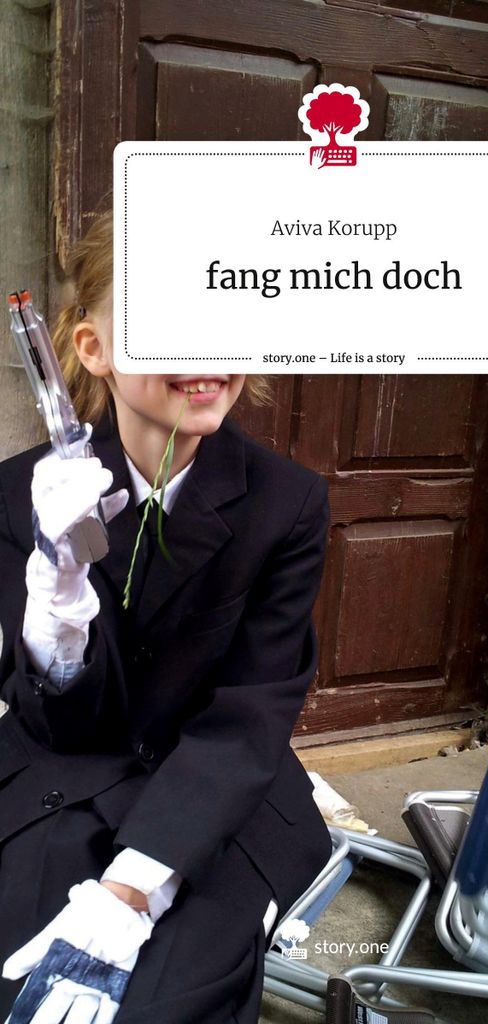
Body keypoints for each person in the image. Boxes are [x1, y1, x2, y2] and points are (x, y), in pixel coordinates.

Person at [0, 212, 333, 1023]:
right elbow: (55, 723)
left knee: (167, 1006)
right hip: (62, 778)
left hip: (220, 795)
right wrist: (57, 600)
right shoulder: (21, 494)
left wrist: (129, 891)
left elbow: (251, 712)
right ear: (91, 348)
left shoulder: (286, 504)